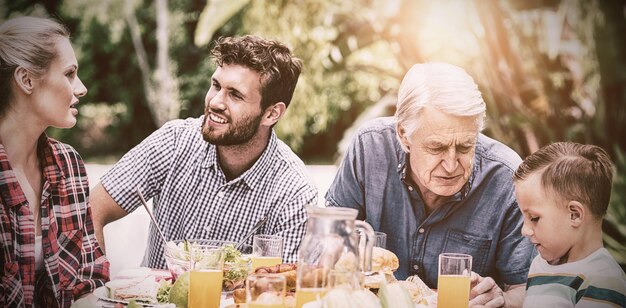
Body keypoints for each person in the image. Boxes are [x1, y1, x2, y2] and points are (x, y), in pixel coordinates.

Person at [90, 35, 317, 269]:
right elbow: (91, 211)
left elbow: (281, 292)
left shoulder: (295, 193)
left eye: (235, 95)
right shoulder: (174, 142)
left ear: (271, 114)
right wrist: (93, 289)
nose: (215, 102)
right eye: (216, 86)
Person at [326, 62, 534, 306]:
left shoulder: (505, 176)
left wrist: (503, 300)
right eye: (437, 147)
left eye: (466, 147)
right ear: (404, 134)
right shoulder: (369, 148)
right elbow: (329, 243)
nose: (451, 164)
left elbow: (525, 289)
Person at [0, 16, 109, 307]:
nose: (82, 88)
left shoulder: (69, 164)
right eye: (70, 73)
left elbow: (88, 278)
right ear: (26, 79)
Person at [513, 142, 626, 307]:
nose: (525, 230)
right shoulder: (539, 267)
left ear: (575, 214)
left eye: (534, 218)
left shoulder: (603, 280)